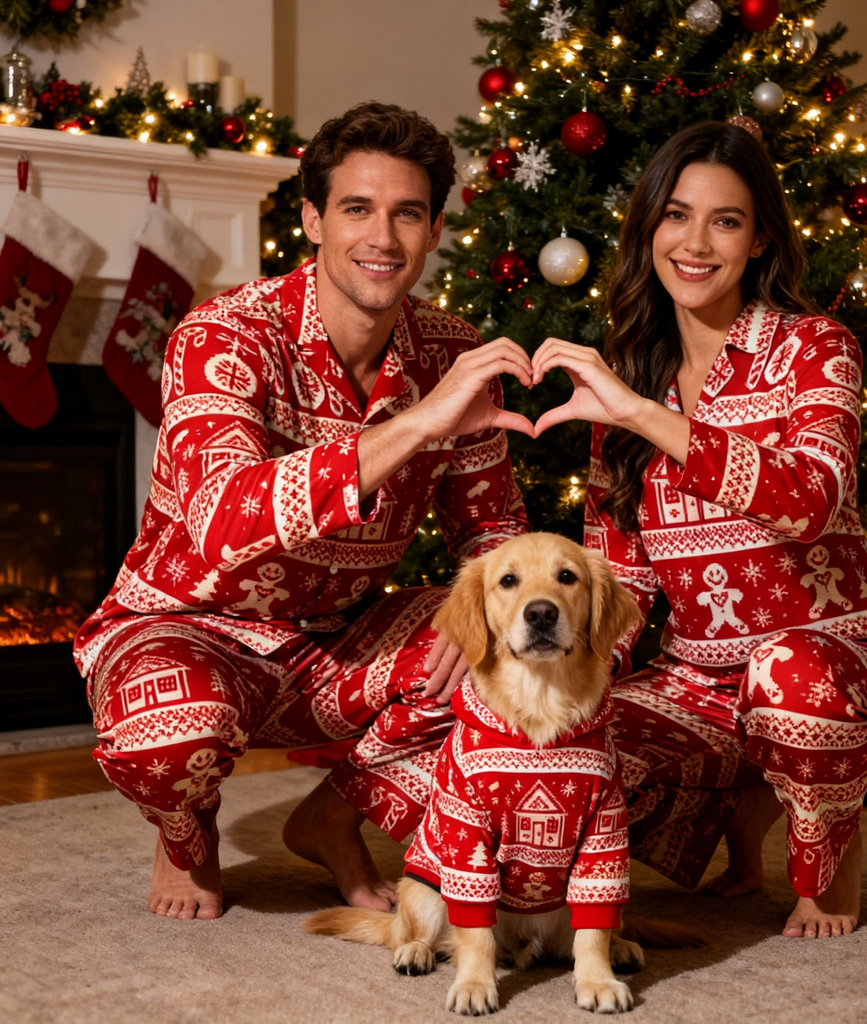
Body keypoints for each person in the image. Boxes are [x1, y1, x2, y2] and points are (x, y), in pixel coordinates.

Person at [72, 102, 534, 921]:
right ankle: (186, 831)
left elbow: (492, 531)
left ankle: (334, 818)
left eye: (407, 213)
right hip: (191, 625)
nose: (382, 237)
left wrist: (480, 613)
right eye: (357, 208)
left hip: (342, 641)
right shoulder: (223, 334)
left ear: (434, 230)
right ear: (314, 221)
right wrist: (419, 422)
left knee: (512, 644)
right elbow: (224, 522)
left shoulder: (453, 354)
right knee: (168, 733)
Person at [528, 121, 867, 938]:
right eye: (676, 216)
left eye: (725, 221)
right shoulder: (631, 385)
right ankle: (742, 803)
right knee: (554, 756)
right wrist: (566, 697)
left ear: (759, 241)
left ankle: (826, 852)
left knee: (789, 673)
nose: (695, 243)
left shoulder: (815, 348)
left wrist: (641, 414)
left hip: (849, 677)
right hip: (703, 685)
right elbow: (620, 584)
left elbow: (808, 497)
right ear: (649, 229)